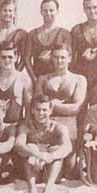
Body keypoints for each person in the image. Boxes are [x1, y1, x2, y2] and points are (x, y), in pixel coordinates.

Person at [35, 42, 87, 170]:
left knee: (69, 170)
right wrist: (60, 106)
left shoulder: (79, 79)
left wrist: (51, 105)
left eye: (63, 57)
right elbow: (37, 106)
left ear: (69, 58)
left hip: (69, 126)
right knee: (45, 171)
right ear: (51, 58)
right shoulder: (42, 79)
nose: (59, 61)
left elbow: (76, 108)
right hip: (46, 125)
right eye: (56, 57)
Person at [13, 94, 72, 193]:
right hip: (32, 170)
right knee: (31, 147)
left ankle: (48, 187)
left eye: (44, 110)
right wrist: (37, 154)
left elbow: (67, 147)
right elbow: (18, 145)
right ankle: (32, 188)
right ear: (32, 110)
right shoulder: (26, 126)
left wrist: (50, 156)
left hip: (51, 172)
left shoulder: (59, 127)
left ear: (50, 111)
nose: (41, 113)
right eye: (38, 109)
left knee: (56, 149)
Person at [0, 41, 32, 125]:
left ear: (16, 58)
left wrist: (24, 129)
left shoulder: (24, 80)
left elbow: (29, 110)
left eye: (10, 57)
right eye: (3, 57)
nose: (7, 60)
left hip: (15, 126)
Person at [24, 0, 71, 83]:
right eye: (45, 10)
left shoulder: (64, 34)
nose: (48, 13)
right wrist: (34, 79)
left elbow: (69, 58)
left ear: (57, 11)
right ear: (41, 12)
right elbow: (27, 59)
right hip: (37, 78)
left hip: (57, 79)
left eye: (51, 10)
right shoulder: (32, 34)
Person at [0, 1, 27, 71]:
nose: (7, 13)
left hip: (12, 68)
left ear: (14, 14)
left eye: (10, 11)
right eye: (5, 10)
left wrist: (17, 74)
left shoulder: (20, 33)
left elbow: (23, 58)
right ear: (0, 12)